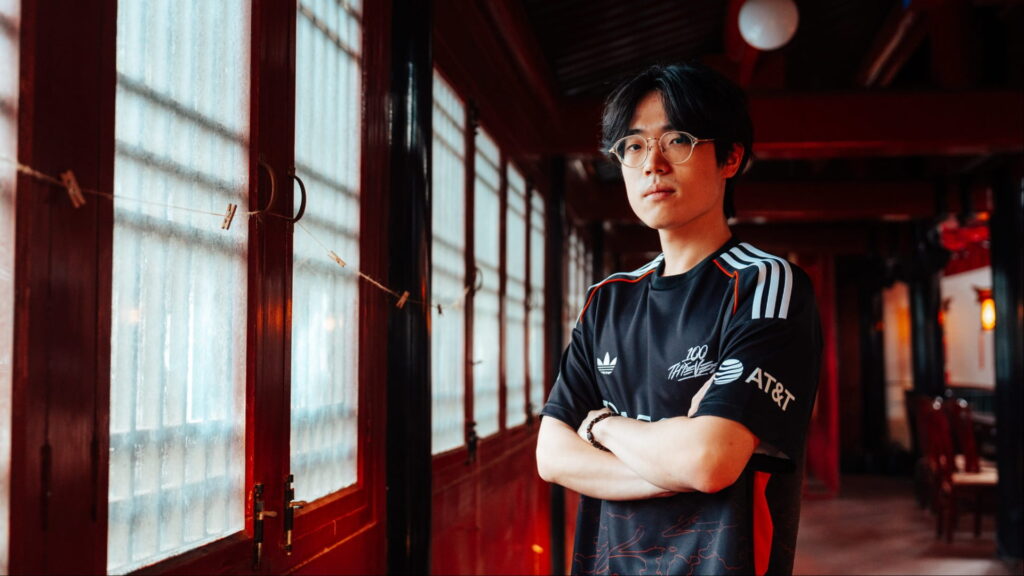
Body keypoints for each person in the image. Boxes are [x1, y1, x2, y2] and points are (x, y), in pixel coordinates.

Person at [536, 62, 822, 576]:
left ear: (730, 157)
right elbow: (553, 457)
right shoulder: (608, 299)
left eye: (678, 141)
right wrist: (677, 456)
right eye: (634, 146)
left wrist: (600, 423)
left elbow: (709, 460)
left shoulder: (764, 286)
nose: (653, 164)